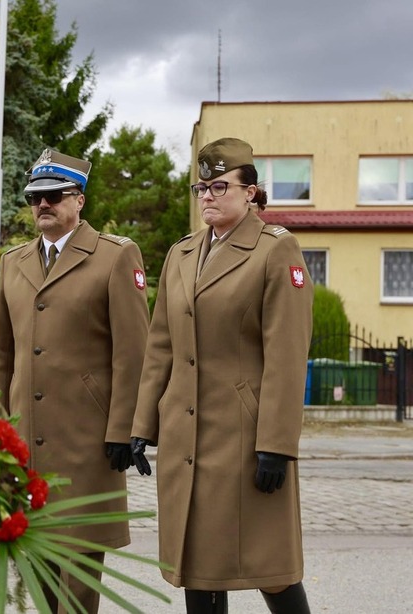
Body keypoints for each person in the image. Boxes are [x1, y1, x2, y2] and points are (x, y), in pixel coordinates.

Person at [130, 137, 314, 614]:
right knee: (198, 564)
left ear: (250, 192)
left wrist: (276, 443)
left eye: (218, 187)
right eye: (201, 188)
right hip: (186, 434)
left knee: (270, 566)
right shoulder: (182, 253)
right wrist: (142, 425)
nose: (207, 196)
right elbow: (161, 345)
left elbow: (287, 354)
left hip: (243, 436)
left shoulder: (275, 249)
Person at [0, 148, 150, 613]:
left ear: (79, 200)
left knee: (77, 578)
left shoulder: (115, 256)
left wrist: (123, 428)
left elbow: (133, 353)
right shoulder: (14, 262)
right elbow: (1, 357)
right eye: (34, 197)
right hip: (25, 443)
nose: (43, 204)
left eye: (55, 195)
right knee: (35, 571)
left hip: (87, 442)